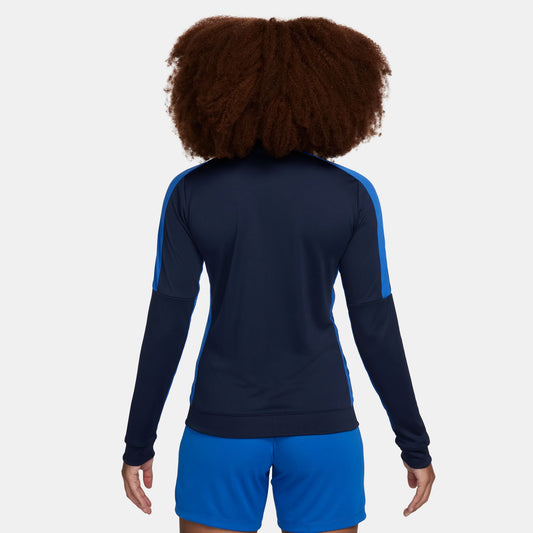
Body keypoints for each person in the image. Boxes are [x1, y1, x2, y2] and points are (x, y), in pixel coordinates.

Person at [121, 15, 436, 533]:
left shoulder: (191, 193)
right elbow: (375, 326)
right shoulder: (351, 195)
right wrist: (414, 444)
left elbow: (167, 322)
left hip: (220, 429)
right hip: (323, 428)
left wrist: (138, 442)